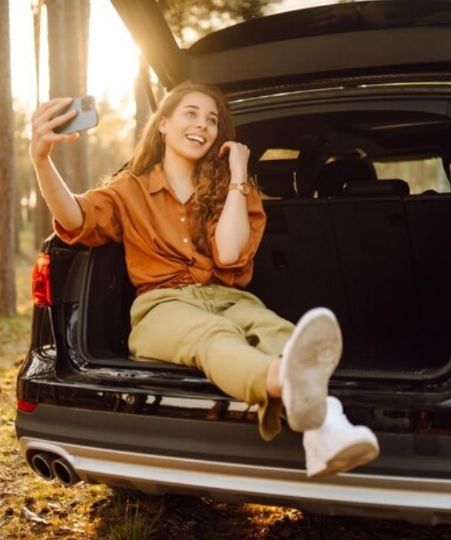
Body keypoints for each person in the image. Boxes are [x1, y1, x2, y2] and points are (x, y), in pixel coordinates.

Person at [29, 81, 379, 478]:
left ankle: (324, 431)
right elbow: (76, 218)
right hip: (162, 307)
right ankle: (295, 394)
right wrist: (42, 161)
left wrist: (237, 174)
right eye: (191, 114)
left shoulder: (234, 189)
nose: (203, 125)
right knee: (213, 337)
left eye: (212, 120)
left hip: (228, 298)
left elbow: (228, 254)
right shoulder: (128, 188)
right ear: (162, 124)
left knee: (280, 333)